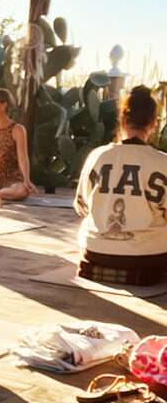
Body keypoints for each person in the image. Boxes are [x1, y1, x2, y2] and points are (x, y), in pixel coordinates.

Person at [75, 86, 167, 286]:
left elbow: (82, 207)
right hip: (147, 257)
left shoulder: (97, 156)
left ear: (123, 120)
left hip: (95, 252)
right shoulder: (163, 163)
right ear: (153, 124)